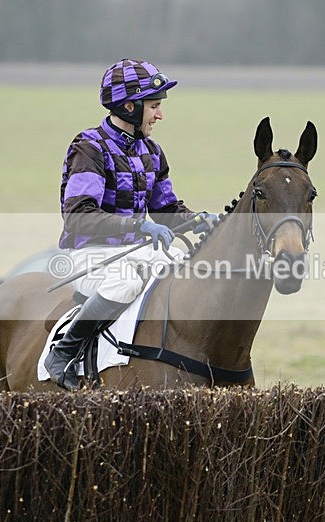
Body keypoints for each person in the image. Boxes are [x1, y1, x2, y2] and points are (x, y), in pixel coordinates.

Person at [44, 58, 217, 391]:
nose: (160, 115)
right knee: (125, 283)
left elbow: (166, 209)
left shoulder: (151, 151)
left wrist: (198, 220)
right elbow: (79, 215)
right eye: (154, 106)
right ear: (128, 105)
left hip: (136, 252)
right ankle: (63, 353)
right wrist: (138, 228)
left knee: (189, 273)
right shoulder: (89, 148)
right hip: (91, 255)